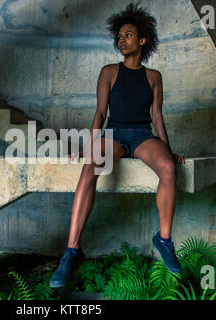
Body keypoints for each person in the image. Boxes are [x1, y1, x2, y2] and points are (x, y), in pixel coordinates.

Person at [49, 2, 186, 288]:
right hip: (113, 134)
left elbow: (157, 117)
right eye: (119, 36)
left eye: (128, 35)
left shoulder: (154, 77)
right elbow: (100, 113)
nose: (121, 40)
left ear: (143, 39)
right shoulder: (109, 71)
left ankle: (163, 240)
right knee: (90, 167)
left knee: (168, 168)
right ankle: (71, 251)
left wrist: (168, 150)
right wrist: (90, 144)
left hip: (142, 135)